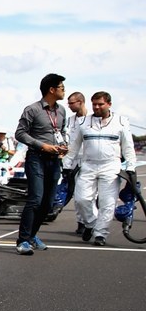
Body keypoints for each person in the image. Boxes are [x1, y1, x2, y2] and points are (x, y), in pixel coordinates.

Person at [67, 91, 135, 246]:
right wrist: (67, 164)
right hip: (88, 165)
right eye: (94, 104)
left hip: (111, 166)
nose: (96, 107)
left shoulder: (121, 122)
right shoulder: (83, 122)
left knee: (107, 203)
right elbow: (74, 146)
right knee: (81, 199)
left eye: (100, 104)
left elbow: (128, 147)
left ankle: (100, 234)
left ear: (109, 104)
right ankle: (91, 224)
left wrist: (130, 166)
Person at [14, 73, 68, 255]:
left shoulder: (61, 111)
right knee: (35, 199)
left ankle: (32, 236)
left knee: (48, 203)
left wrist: (63, 145)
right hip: (36, 158)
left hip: (54, 160)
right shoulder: (32, 109)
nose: (64, 91)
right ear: (51, 90)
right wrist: (43, 145)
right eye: (61, 87)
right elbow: (20, 133)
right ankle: (22, 240)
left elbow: (62, 131)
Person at [64, 91, 89, 235]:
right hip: (73, 160)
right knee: (77, 194)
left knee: (90, 195)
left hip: (89, 160)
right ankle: (81, 222)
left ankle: (91, 222)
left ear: (80, 102)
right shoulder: (69, 120)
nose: (69, 106)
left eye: (71, 103)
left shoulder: (92, 120)